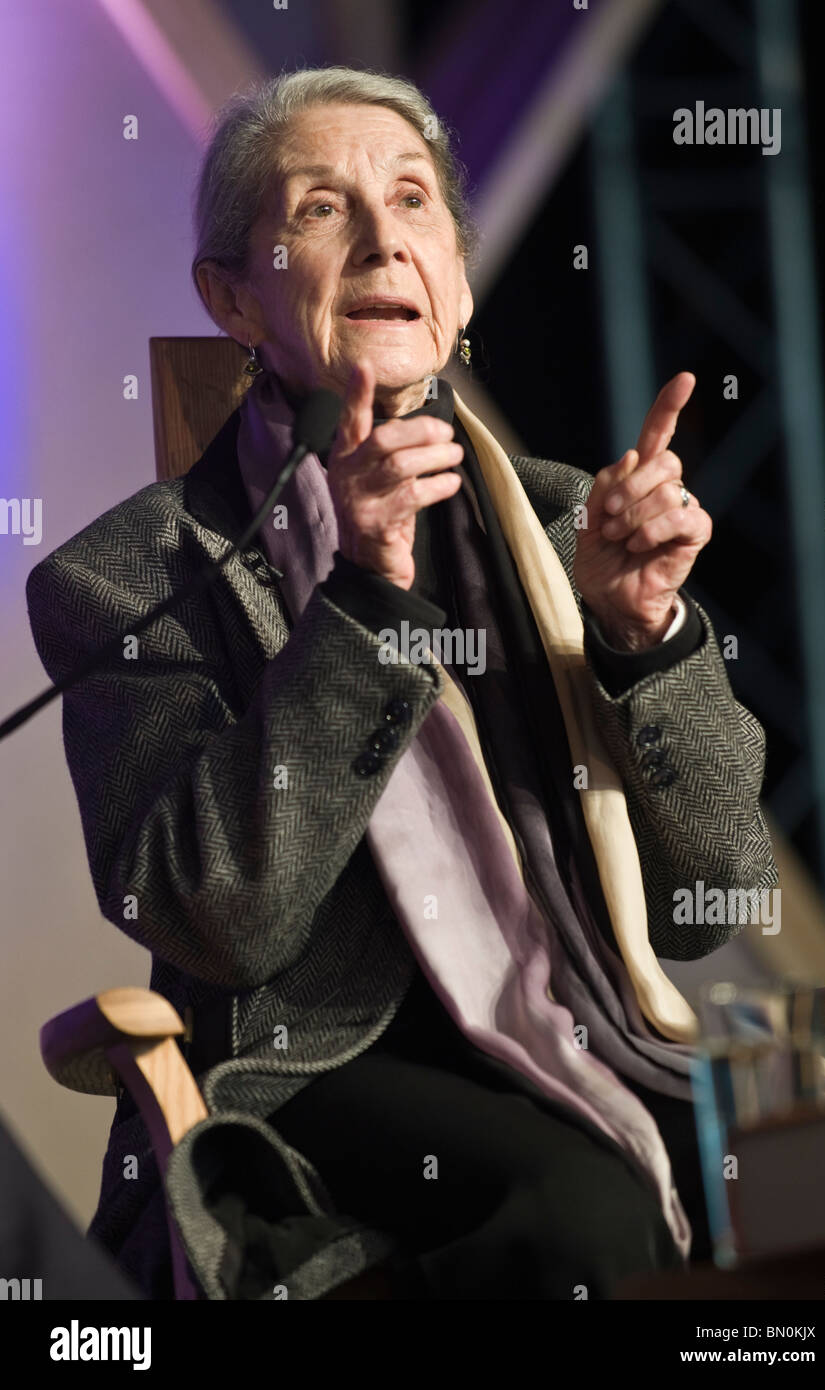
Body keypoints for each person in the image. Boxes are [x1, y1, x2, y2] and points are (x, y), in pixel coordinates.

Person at [25, 66, 778, 1300]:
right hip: (311, 1069)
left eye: (414, 199)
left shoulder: (563, 524)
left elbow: (719, 899)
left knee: (814, 1169)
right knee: (582, 1214)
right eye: (321, 209)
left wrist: (642, 638)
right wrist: (363, 603)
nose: (383, 236)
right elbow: (224, 919)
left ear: (460, 280)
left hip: (592, 1022)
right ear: (232, 298)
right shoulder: (123, 577)